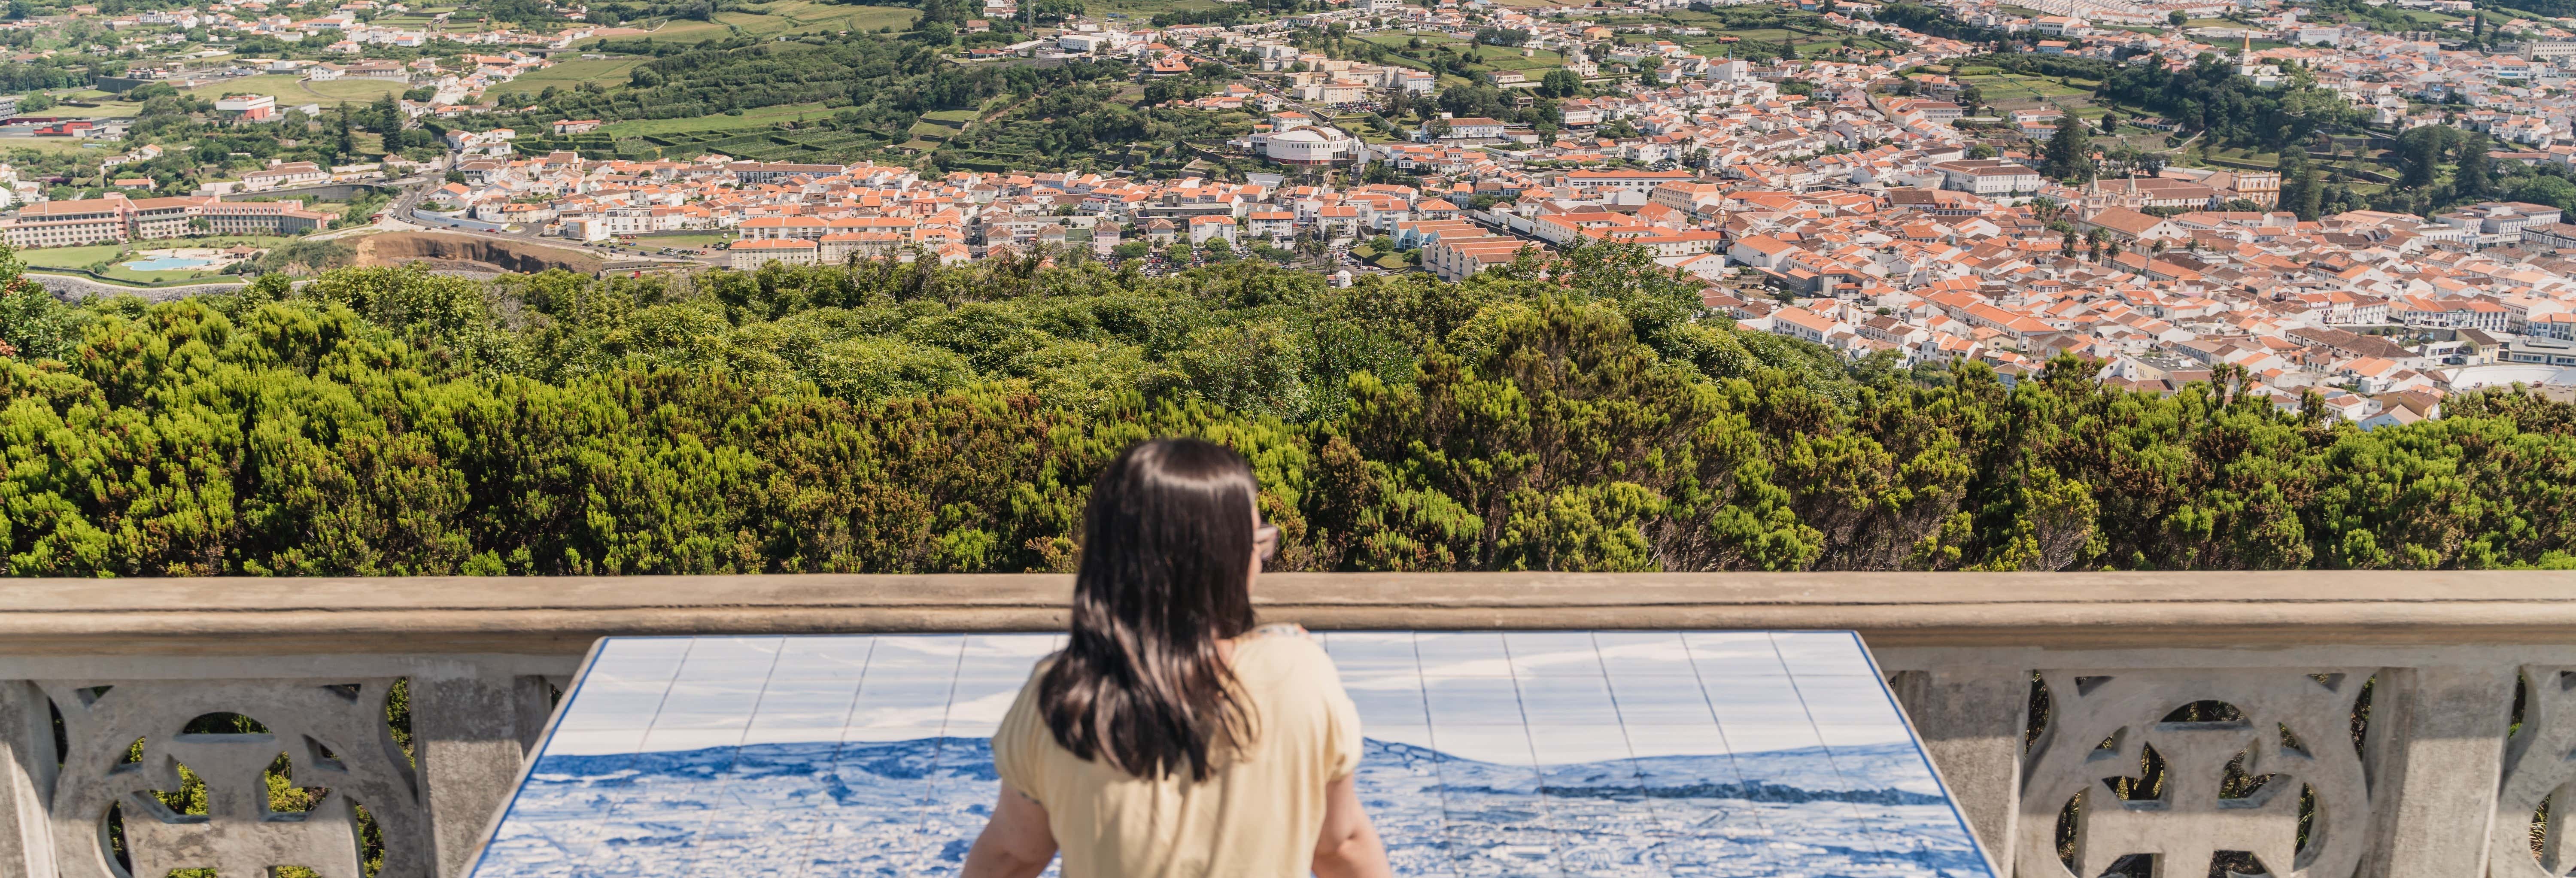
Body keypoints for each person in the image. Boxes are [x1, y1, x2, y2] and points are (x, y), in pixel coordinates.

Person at [962, 438, 1393, 878]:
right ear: (1224, 559)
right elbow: (1340, 846)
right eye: (1256, 545)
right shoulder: (1301, 676)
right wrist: (1280, 647)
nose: (1261, 562)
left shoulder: (1060, 692)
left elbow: (1012, 855)